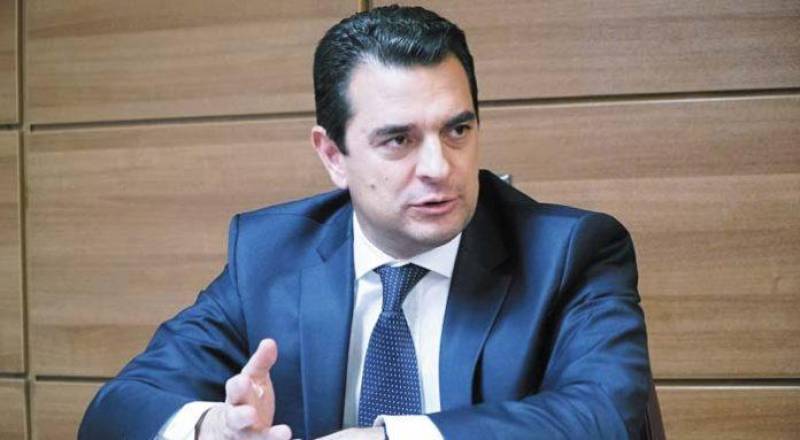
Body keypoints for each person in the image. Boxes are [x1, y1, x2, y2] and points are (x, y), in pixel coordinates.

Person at [79, 5, 651, 440]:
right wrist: (214, 428)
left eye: (457, 130)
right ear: (333, 155)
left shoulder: (571, 252)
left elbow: (606, 416)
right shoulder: (271, 255)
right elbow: (117, 409)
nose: (439, 168)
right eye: (399, 140)